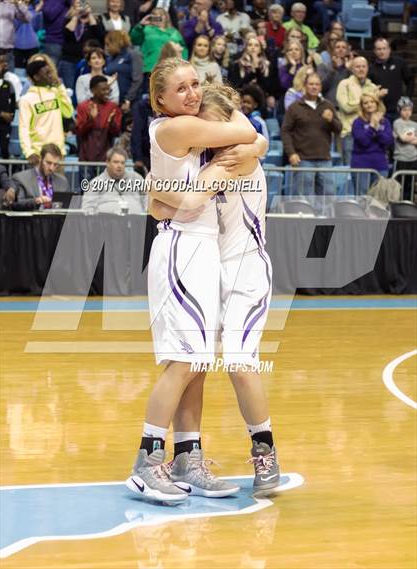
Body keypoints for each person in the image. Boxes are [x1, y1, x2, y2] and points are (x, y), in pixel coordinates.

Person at [125, 57, 260, 503]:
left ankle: (188, 455)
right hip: (180, 246)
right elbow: (244, 131)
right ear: (159, 99)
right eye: (180, 89)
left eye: (195, 85)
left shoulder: (191, 128)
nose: (192, 94)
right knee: (182, 362)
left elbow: (252, 140)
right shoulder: (174, 128)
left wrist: (186, 190)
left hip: (201, 245)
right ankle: (146, 461)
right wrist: (219, 171)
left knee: (198, 365)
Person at [147, 83, 280, 499]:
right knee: (196, 366)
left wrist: (256, 141)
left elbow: (176, 200)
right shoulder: (205, 159)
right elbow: (158, 207)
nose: (200, 132)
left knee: (240, 364)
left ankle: (265, 449)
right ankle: (187, 455)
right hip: (208, 270)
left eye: (207, 124)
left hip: (245, 272)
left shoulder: (238, 156)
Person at [281, 72, 342, 199]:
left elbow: (339, 129)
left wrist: (332, 120)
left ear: (320, 87)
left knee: (328, 197)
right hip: (303, 159)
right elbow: (285, 131)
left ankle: (325, 219)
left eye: (317, 84)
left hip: (324, 159)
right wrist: (291, 153)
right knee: (303, 198)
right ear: (305, 86)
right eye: (311, 84)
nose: (314, 87)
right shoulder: (294, 107)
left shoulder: (328, 106)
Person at [19, 59, 74, 166]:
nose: (51, 76)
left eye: (51, 72)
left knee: (60, 183)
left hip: (58, 153)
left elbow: (68, 113)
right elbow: (23, 128)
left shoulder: (55, 92)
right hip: (39, 155)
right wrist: (29, 152)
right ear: (36, 77)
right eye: (47, 73)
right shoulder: (26, 99)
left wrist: (60, 88)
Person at [336, 56, 383, 165]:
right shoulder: (344, 84)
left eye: (363, 66)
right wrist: (371, 98)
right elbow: (346, 108)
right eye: (357, 67)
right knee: (350, 172)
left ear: (367, 68)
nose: (361, 69)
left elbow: (378, 111)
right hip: (349, 134)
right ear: (352, 69)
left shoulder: (373, 87)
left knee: (369, 171)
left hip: (371, 134)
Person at [82, 146, 147, 214]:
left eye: (122, 163)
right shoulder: (95, 183)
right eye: (116, 162)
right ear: (107, 162)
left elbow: (147, 201)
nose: (119, 166)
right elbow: (87, 209)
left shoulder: (136, 178)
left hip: (137, 222)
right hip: (107, 223)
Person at [351, 93, 394, 195]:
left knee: (379, 199)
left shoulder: (385, 122)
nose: (369, 105)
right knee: (362, 197)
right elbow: (363, 141)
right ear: (362, 106)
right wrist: (372, 126)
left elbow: (388, 141)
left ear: (377, 104)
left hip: (380, 165)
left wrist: (377, 128)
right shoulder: (358, 122)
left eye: (372, 102)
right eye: (366, 103)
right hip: (361, 165)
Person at [58, 1, 105, 91]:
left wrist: (90, 15)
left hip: (89, 61)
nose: (81, 7)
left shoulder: (95, 20)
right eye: (78, 4)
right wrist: (76, 16)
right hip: (70, 60)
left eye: (83, 4)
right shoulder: (68, 20)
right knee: (70, 89)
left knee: (88, 88)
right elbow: (67, 34)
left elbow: (100, 34)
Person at [76, 75, 122, 164]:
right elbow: (79, 132)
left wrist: (111, 122)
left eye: (108, 89)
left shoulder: (113, 107)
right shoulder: (83, 107)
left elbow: (116, 133)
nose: (107, 92)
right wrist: (91, 119)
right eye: (103, 90)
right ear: (93, 91)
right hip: (86, 159)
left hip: (106, 159)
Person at [368, 38, 414, 124]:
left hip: (399, 110)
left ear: (389, 49)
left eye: (384, 48)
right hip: (381, 111)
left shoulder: (399, 62)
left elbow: (410, 80)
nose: (382, 51)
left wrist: (407, 97)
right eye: (379, 49)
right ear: (374, 51)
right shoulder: (371, 69)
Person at [130, 7, 188, 75]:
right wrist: (141, 25)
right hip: (150, 67)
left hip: (171, 68)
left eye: (161, 15)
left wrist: (182, 63)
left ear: (166, 17)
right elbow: (134, 39)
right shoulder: (146, 29)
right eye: (155, 15)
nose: (158, 17)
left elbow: (183, 49)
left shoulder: (174, 32)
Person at [11, 143, 70, 210]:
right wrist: (36, 201)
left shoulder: (63, 182)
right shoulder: (21, 178)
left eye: (55, 164)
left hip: (55, 219)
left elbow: (68, 206)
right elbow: (16, 204)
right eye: (48, 163)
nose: (51, 168)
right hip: (32, 219)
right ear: (40, 159)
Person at [104, 29, 143, 111]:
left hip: (131, 102)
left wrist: (128, 99)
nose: (106, 48)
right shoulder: (110, 58)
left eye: (108, 44)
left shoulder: (133, 55)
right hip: (113, 101)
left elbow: (137, 80)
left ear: (116, 42)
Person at [393, 97, 417, 201]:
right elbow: (402, 138)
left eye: (409, 110)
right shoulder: (397, 123)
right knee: (399, 184)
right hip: (401, 158)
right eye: (404, 110)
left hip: (413, 158)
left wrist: (408, 139)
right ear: (399, 110)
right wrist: (411, 139)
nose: (407, 113)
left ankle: (409, 204)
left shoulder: (415, 124)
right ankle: (398, 204)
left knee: (410, 184)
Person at [0, 0, 31, 71]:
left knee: (10, 79)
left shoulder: (12, 4)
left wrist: (19, 3)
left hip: (7, 50)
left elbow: (27, 19)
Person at [0, 53, 16, 159]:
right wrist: (0, 113)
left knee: (5, 150)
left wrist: (11, 116)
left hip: (5, 124)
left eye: (1, 63)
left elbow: (13, 103)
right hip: (0, 117)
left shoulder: (9, 85)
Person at [42, 0, 70, 66]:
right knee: (51, 71)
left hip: (70, 42)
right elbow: (49, 14)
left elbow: (79, 5)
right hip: (54, 41)